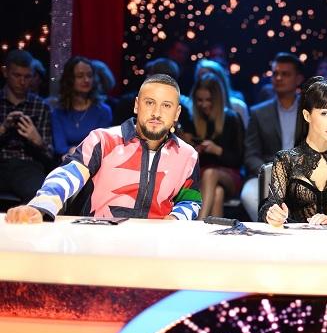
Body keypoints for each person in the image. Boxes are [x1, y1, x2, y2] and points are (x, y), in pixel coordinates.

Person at [6, 74, 201, 223]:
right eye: (149, 103)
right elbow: (68, 174)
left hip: (154, 246)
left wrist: (175, 219)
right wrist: (41, 206)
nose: (156, 113)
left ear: (177, 113)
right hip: (98, 240)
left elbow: (191, 201)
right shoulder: (103, 139)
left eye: (166, 106)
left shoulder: (188, 155)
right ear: (136, 105)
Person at [259, 77, 327, 226]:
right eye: (325, 113)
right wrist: (271, 215)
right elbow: (270, 207)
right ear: (307, 115)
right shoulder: (285, 160)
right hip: (297, 239)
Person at [240, 52, 304, 220]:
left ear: (298, 79)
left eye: (285, 74)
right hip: (266, 174)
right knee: (249, 195)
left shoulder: (310, 111)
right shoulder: (258, 112)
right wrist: (270, 172)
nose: (279, 78)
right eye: (275, 74)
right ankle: (270, 229)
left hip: (302, 175)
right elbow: (251, 155)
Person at [182, 73, 244, 219]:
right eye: (200, 100)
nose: (204, 105)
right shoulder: (192, 122)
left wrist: (217, 150)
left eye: (208, 100)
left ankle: (199, 223)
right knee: (217, 193)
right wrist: (195, 151)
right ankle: (215, 232)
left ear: (217, 99)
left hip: (229, 175)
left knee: (211, 173)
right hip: (203, 176)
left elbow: (239, 160)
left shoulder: (232, 119)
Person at [0, 49, 53, 204]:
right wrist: (3, 128)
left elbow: (51, 155)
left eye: (27, 76)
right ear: (5, 72)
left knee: (41, 195)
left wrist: (37, 140)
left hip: (27, 165)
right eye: (17, 75)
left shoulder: (41, 106)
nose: (22, 82)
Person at [51, 56, 112, 159]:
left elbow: (102, 146)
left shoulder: (104, 111)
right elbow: (60, 147)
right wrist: (72, 152)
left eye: (89, 75)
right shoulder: (58, 113)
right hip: (66, 161)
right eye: (80, 76)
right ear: (70, 80)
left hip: (95, 161)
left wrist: (77, 152)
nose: (86, 80)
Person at [194, 59, 249, 127]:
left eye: (209, 78)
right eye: (200, 78)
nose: (204, 83)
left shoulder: (238, 107)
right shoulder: (192, 108)